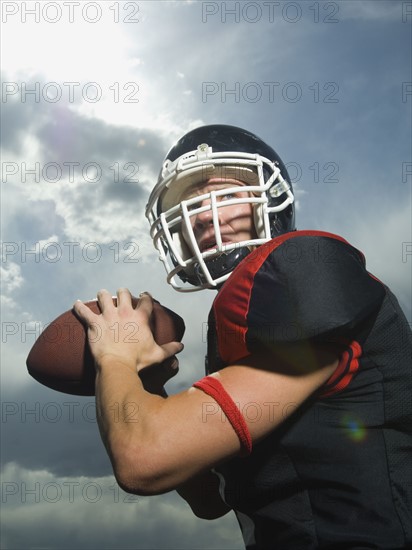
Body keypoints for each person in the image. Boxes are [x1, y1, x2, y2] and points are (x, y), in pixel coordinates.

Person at [74, 125, 412, 549]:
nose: (202, 213)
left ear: (268, 203)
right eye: (191, 204)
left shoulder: (302, 268)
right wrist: (147, 385)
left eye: (228, 193)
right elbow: (211, 500)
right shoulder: (240, 326)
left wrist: (116, 359)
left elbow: (144, 459)